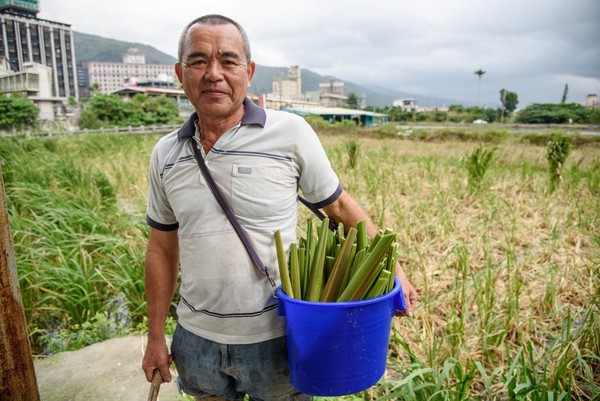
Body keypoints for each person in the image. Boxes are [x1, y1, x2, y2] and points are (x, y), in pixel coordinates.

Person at [141, 14, 417, 401]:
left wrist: (397, 269)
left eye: (229, 60)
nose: (214, 73)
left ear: (249, 71)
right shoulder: (166, 153)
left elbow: (338, 206)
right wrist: (156, 336)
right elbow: (161, 248)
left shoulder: (289, 133)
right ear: (179, 72)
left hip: (278, 338)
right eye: (199, 60)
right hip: (197, 340)